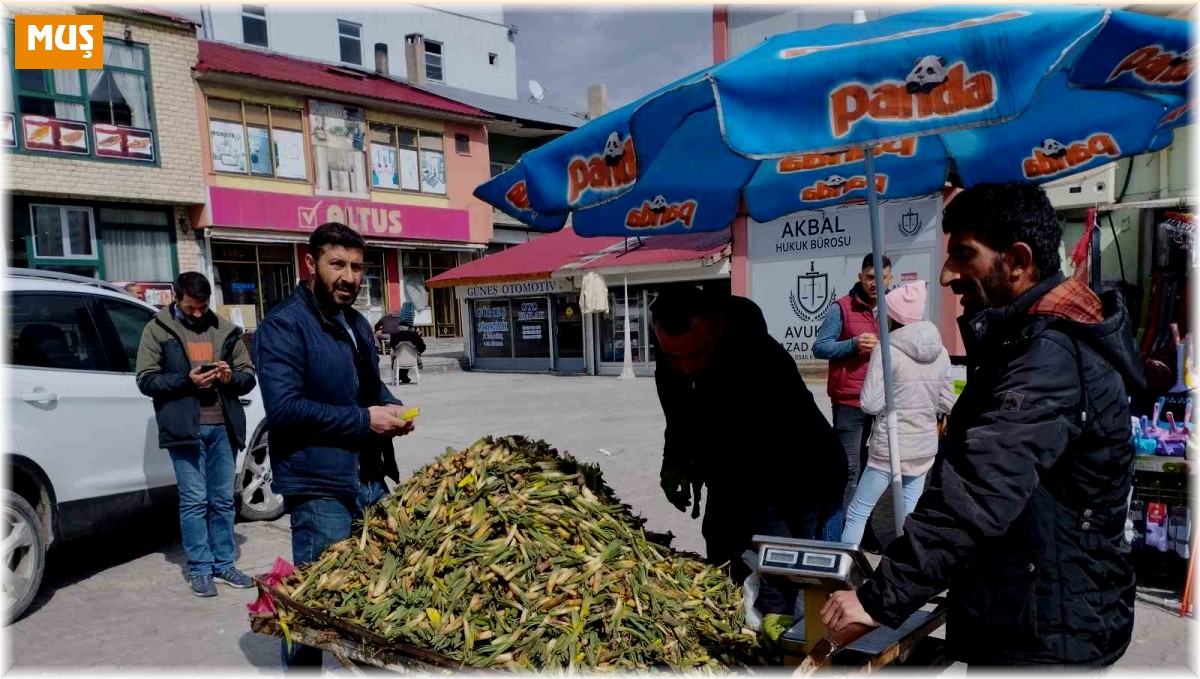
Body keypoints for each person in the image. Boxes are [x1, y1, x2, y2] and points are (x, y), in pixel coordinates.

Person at [821, 183, 1143, 666]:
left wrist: (879, 598)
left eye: (964, 255)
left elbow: (979, 486)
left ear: (1017, 260)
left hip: (1049, 631)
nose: (947, 275)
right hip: (1025, 607)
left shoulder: (1049, 356)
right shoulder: (1022, 342)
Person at [254, 223, 416, 669]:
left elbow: (367, 387)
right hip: (320, 486)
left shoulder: (357, 322)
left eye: (357, 267)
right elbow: (284, 409)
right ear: (311, 264)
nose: (349, 277)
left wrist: (389, 406)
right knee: (315, 606)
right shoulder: (284, 326)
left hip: (368, 477)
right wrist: (364, 419)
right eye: (337, 264)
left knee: (375, 595)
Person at [652, 286, 847, 614]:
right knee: (723, 552)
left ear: (717, 326)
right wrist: (675, 462)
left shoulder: (758, 361)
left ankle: (790, 631)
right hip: (735, 474)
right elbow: (680, 416)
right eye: (674, 357)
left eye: (696, 354)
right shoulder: (672, 357)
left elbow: (767, 479)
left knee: (794, 575)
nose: (685, 367)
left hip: (799, 474)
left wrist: (773, 593)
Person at [135, 272, 257, 597]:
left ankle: (224, 564)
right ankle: (200, 569)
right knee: (194, 501)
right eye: (191, 307)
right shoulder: (157, 330)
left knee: (223, 501)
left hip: (224, 427)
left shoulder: (225, 330)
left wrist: (230, 378)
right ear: (176, 298)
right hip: (184, 428)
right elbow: (146, 379)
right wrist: (186, 381)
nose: (199, 313)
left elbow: (248, 376)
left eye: (203, 307)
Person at [840, 280, 955, 547]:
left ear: (892, 316)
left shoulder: (886, 351)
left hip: (889, 447)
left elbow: (869, 404)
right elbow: (947, 402)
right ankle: (903, 567)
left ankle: (846, 568)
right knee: (909, 512)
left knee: (858, 512)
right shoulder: (941, 352)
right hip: (923, 446)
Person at [813, 254, 893, 549]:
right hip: (849, 401)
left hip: (881, 400)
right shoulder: (842, 308)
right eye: (870, 277)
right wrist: (853, 344)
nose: (875, 283)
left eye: (882, 278)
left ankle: (863, 528)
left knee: (873, 467)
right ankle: (841, 533)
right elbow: (820, 347)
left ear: (890, 279)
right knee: (848, 469)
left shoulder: (892, 308)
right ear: (861, 277)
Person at [388, 309, 426, 385]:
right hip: (412, 359)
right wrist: (417, 351)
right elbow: (423, 346)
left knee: (397, 356)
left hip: (398, 359)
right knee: (411, 354)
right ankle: (403, 376)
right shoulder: (414, 335)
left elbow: (392, 345)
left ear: (399, 327)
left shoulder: (394, 335)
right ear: (407, 327)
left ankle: (402, 376)